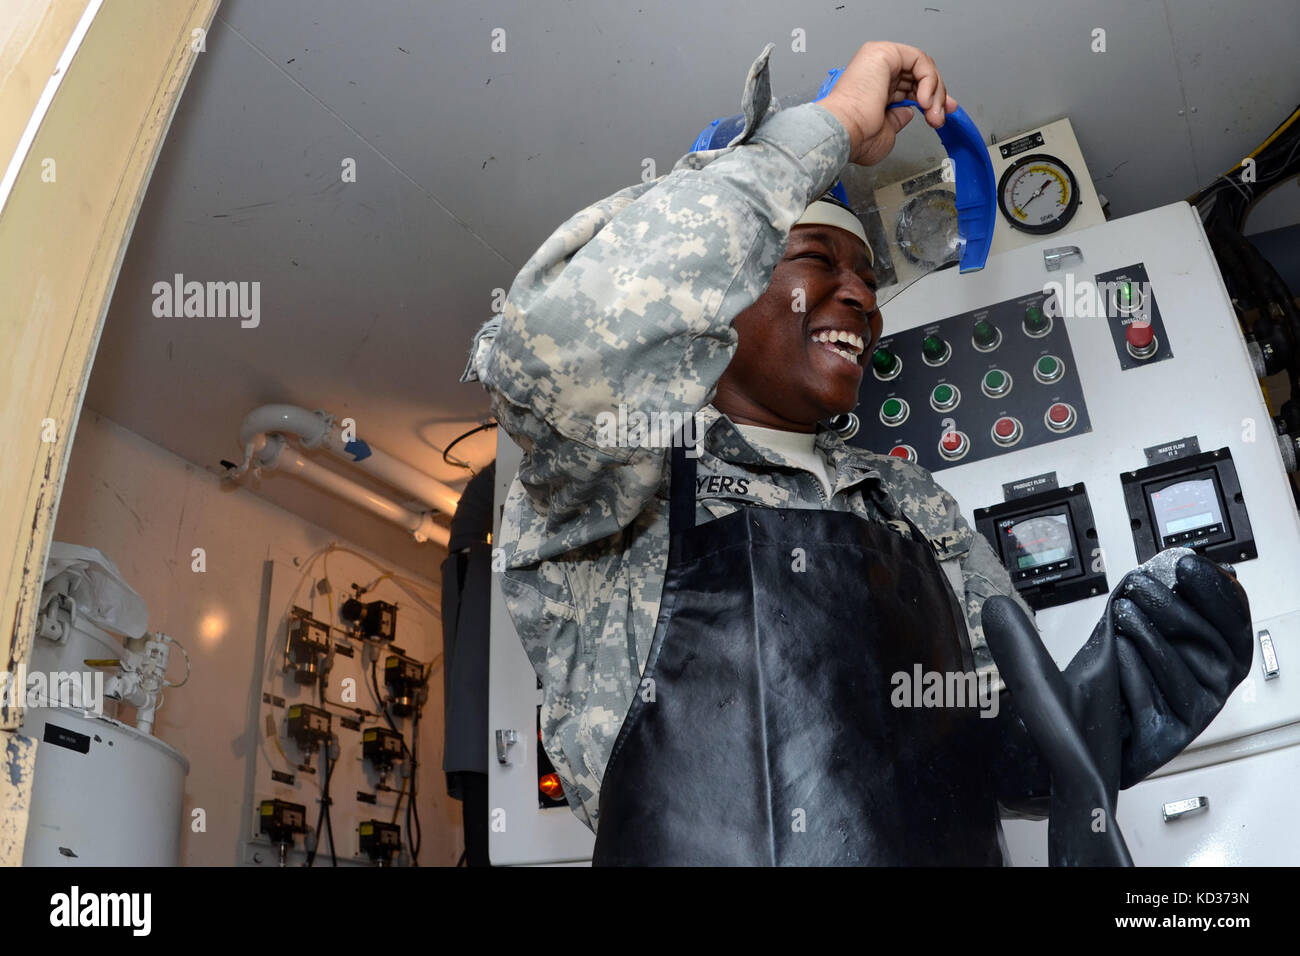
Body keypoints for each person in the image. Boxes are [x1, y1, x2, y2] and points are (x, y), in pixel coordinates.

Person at [461, 41, 1252, 865]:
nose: (861, 298)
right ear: (722, 294)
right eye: (816, 260)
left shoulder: (911, 500)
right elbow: (559, 349)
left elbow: (1005, 751)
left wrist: (1115, 697)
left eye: (869, 280)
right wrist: (831, 125)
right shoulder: (626, 473)